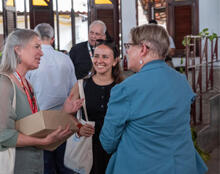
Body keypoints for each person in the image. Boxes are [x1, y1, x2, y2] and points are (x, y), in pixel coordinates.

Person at [99, 24, 208, 174]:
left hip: (141, 167)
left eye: (129, 46)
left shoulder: (126, 89)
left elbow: (108, 142)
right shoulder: (181, 80)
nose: (127, 51)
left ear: (143, 49)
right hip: (182, 165)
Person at [0, 29, 83, 174]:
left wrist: (64, 112)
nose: (42, 53)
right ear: (18, 50)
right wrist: (42, 142)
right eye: (37, 47)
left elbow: (33, 126)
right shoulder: (2, 84)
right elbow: (0, 136)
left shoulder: (26, 84)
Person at [26, 23, 77, 174]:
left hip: (39, 119)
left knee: (46, 165)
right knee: (64, 163)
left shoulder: (32, 61)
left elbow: (26, 91)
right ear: (53, 39)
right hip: (63, 117)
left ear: (36, 39)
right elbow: (74, 90)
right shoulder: (65, 59)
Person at [70, 39, 124, 174]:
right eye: (96, 56)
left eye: (105, 57)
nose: (99, 61)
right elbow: (66, 114)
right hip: (89, 149)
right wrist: (79, 127)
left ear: (115, 61)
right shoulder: (81, 85)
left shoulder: (123, 87)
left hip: (118, 149)